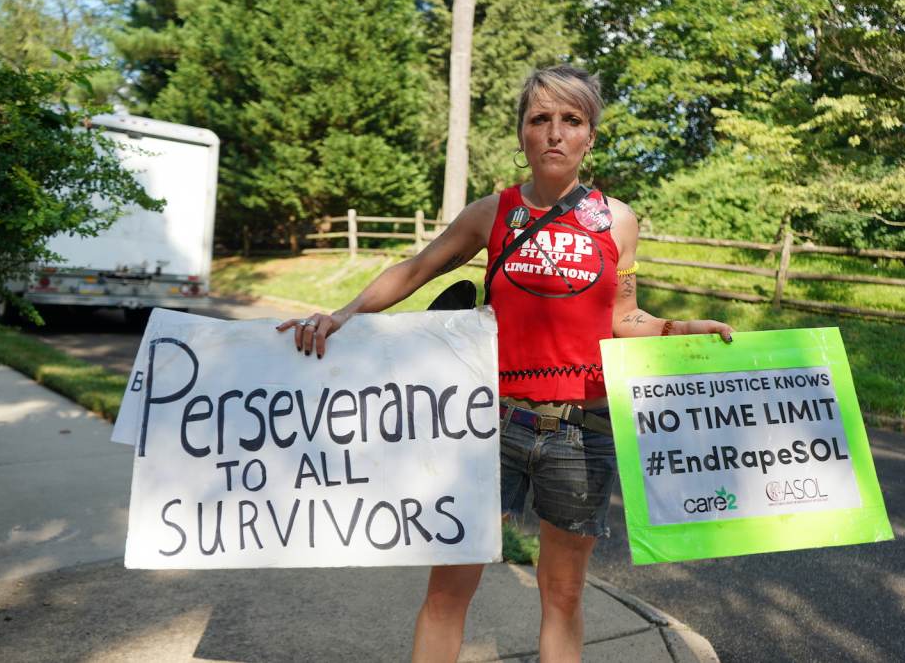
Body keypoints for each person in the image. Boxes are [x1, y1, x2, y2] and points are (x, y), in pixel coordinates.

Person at [277, 64, 733, 662]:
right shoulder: (493, 213)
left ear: (589, 136)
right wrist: (343, 313)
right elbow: (416, 271)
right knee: (449, 588)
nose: (554, 133)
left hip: (584, 431)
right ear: (521, 132)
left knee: (564, 595)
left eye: (571, 120)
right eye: (539, 119)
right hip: (489, 426)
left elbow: (625, 318)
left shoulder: (617, 221)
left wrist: (678, 328)